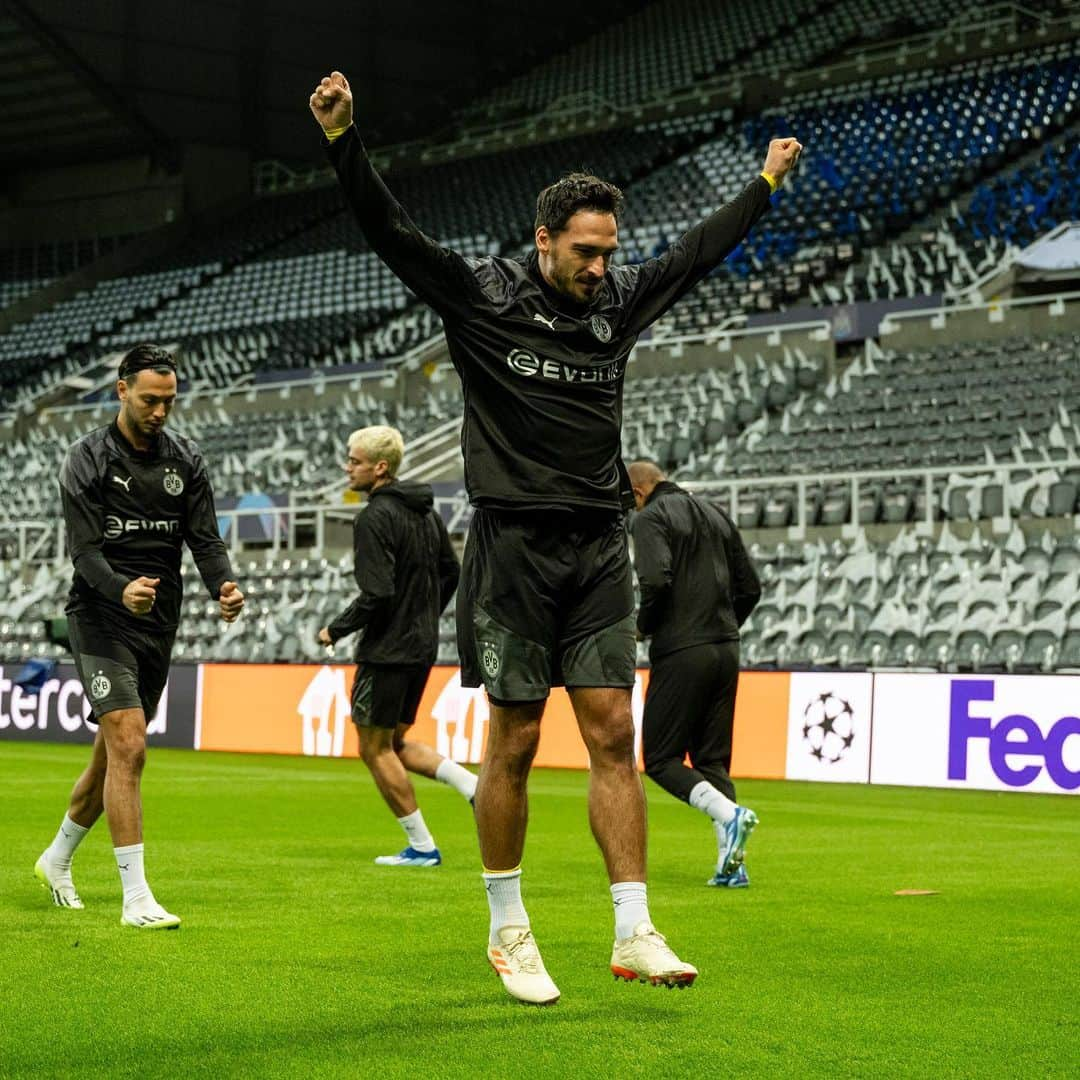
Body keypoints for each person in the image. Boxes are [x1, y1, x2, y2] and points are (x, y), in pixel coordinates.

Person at [309, 70, 800, 1004]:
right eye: (584, 250)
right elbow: (392, 234)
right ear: (543, 241)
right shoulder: (483, 298)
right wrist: (343, 140)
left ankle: (635, 928)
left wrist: (765, 182)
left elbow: (696, 254)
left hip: (597, 547)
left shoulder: (615, 306)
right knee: (518, 739)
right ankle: (508, 929)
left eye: (609, 251)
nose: (600, 266)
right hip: (512, 551)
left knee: (615, 731)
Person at [35, 344, 244, 929]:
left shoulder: (187, 459)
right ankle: (136, 900)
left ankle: (56, 859)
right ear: (121, 389)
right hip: (101, 616)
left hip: (159, 620)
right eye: (150, 399)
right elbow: (84, 552)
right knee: (130, 745)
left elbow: (204, 539)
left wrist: (223, 587)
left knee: (110, 759)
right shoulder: (86, 459)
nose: (160, 411)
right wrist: (122, 588)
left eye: (169, 401)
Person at [317, 425, 473, 864]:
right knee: (397, 742)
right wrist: (423, 615)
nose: (348, 467)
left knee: (373, 748)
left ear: (379, 468)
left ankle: (422, 846)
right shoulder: (426, 512)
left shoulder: (373, 517)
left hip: (386, 650)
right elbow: (452, 572)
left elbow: (378, 592)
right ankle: (472, 787)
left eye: (355, 461)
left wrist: (336, 628)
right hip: (421, 647)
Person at [628, 460, 762, 888]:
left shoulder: (650, 519)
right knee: (711, 760)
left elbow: (654, 579)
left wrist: (642, 626)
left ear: (638, 492)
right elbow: (751, 587)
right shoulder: (715, 512)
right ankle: (732, 866)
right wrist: (722, 627)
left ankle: (730, 815)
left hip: (682, 649)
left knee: (662, 759)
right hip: (726, 648)